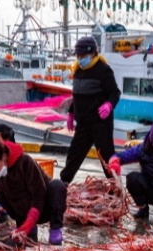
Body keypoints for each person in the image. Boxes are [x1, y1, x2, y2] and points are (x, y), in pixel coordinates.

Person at [59, 36, 121, 184]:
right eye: (78, 56)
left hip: (101, 124)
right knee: (74, 154)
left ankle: (115, 186)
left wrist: (109, 105)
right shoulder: (78, 70)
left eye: (83, 56)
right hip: (83, 123)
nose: (80, 59)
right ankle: (62, 184)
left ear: (93, 53)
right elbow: (77, 95)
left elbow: (115, 93)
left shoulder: (103, 70)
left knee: (106, 157)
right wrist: (71, 112)